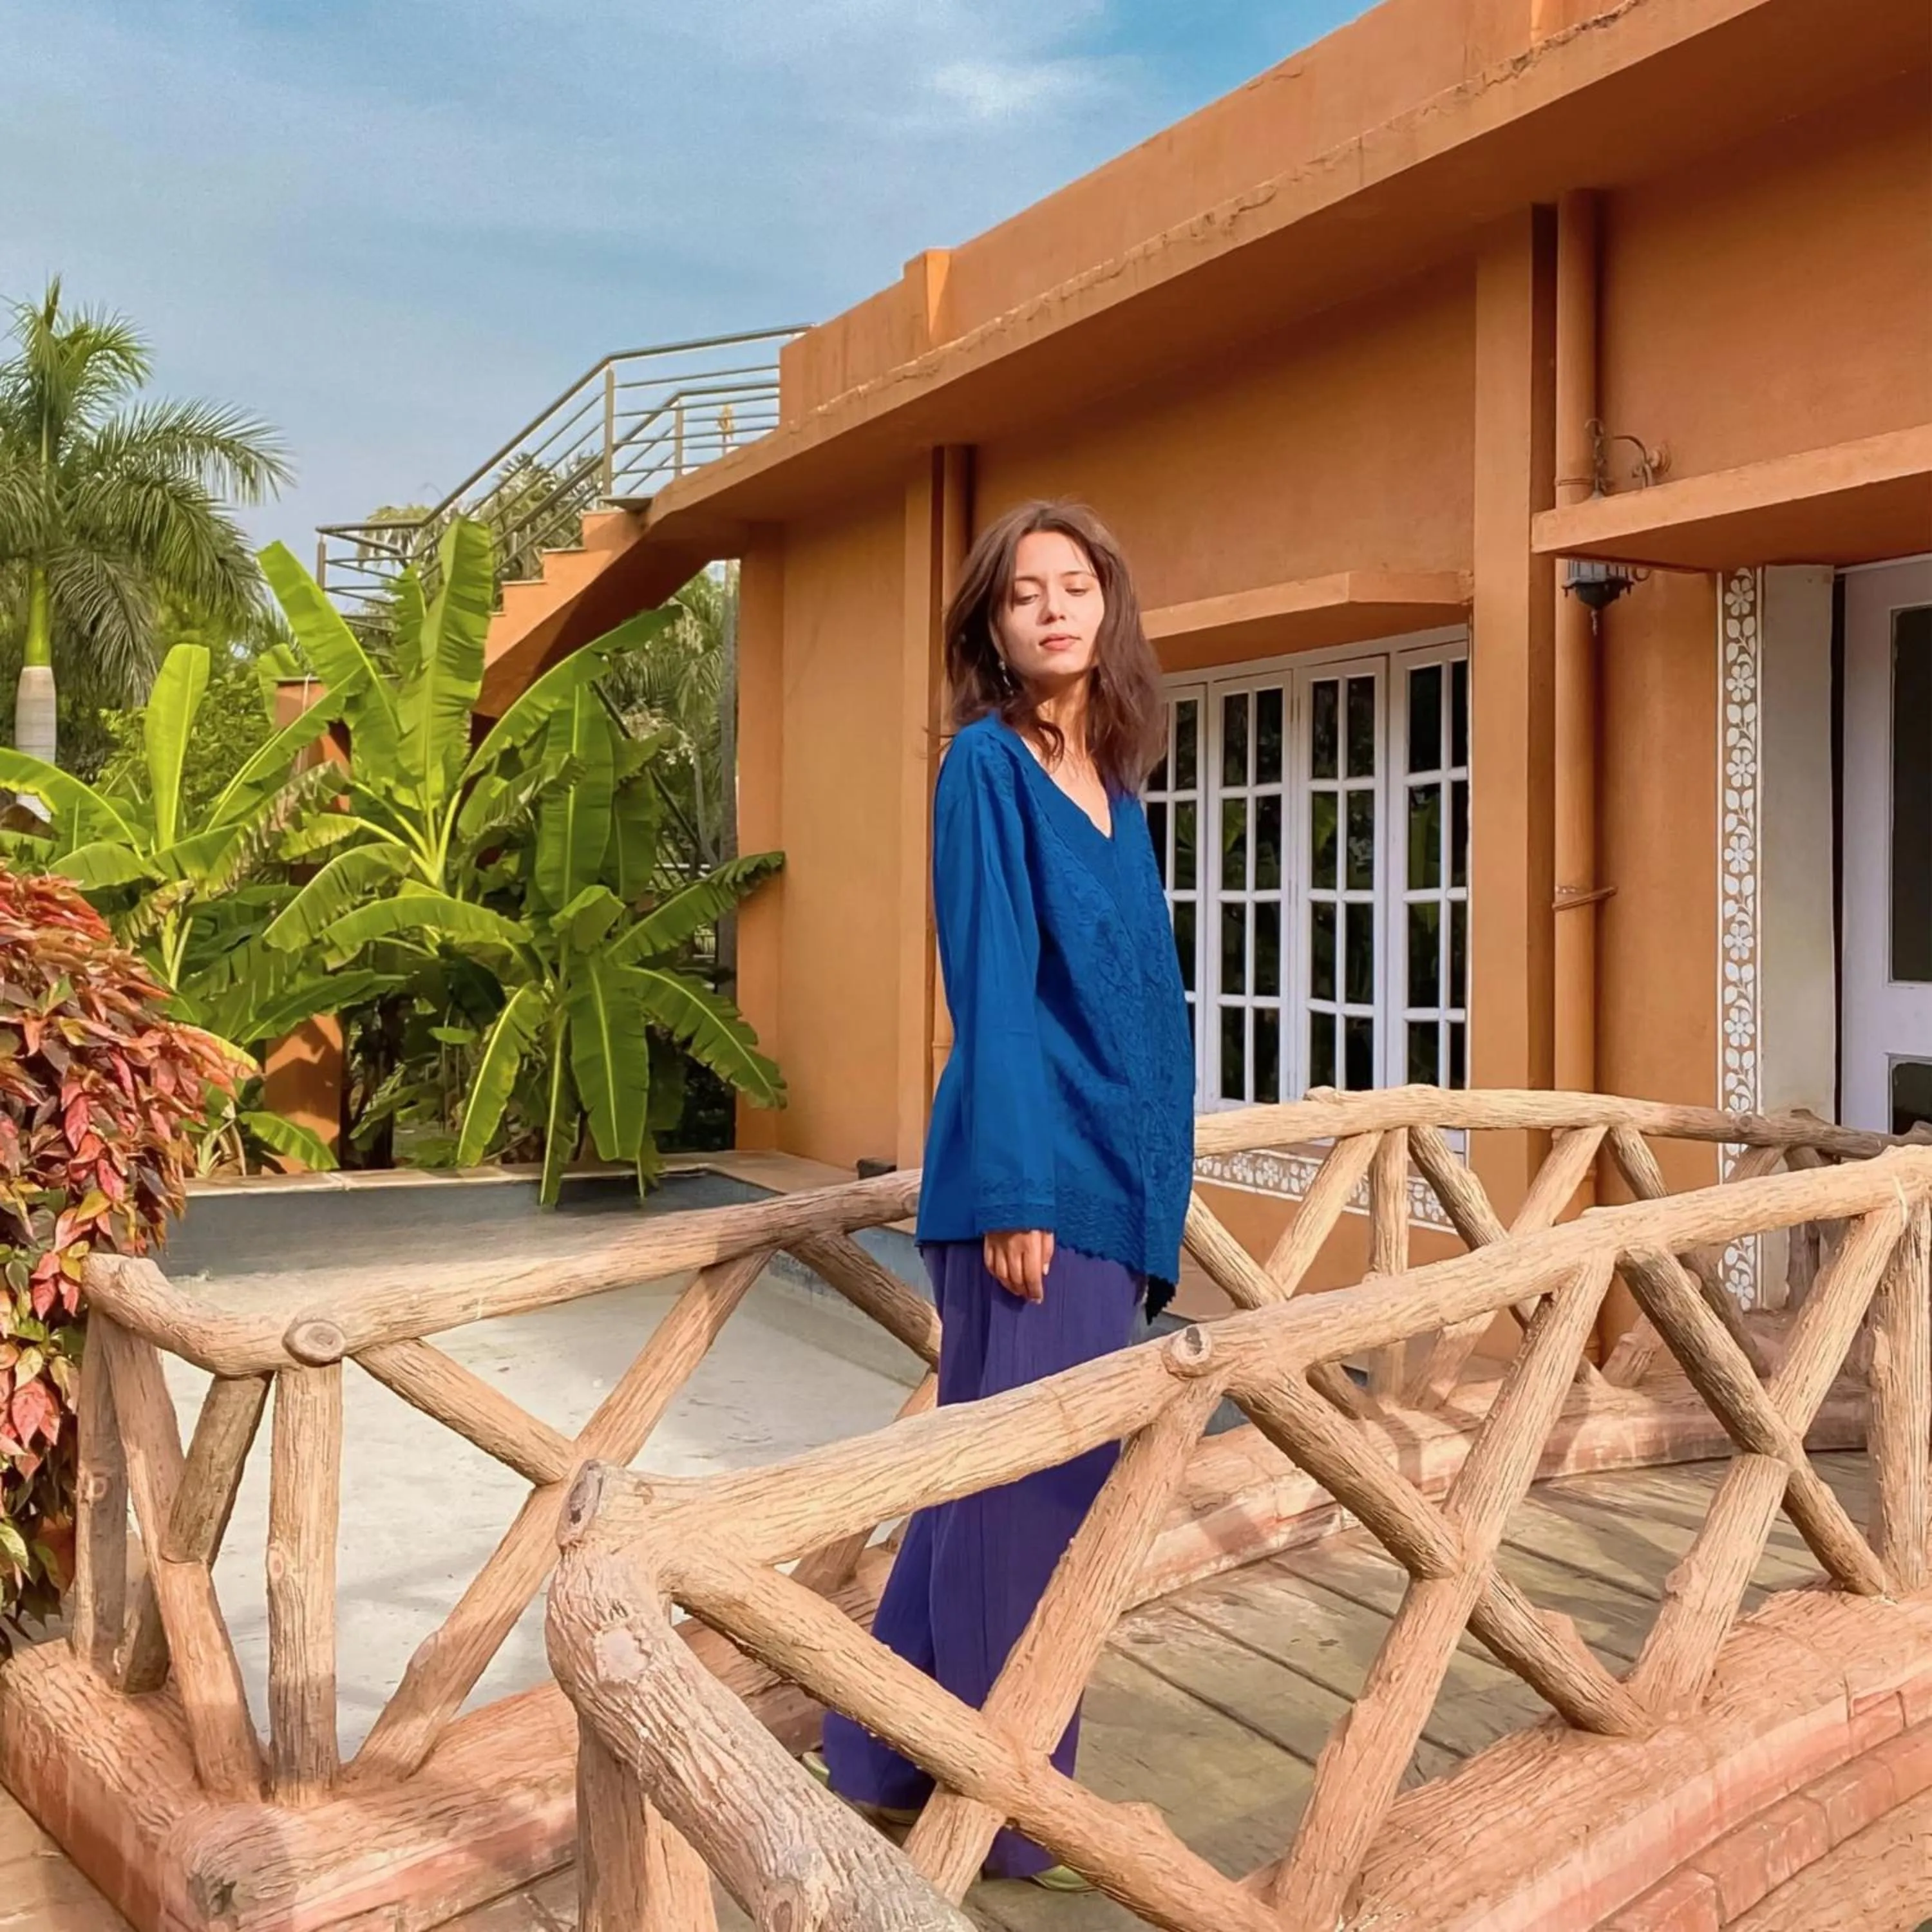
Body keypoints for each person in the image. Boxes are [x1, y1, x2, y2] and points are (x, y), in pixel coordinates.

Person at [811, 499, 1195, 1888]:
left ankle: (876, 1755)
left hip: (1111, 1186)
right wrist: (1025, 1188)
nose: (1053, 609)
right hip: (1033, 1189)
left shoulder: (1118, 785)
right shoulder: (984, 767)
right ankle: (1018, 1814)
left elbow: (1143, 999)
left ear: (1108, 605)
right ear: (991, 625)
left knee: (986, 1483)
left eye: (1074, 585)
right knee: (1032, 1498)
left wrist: (1158, 1197)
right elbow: (992, 990)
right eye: (1025, 592)